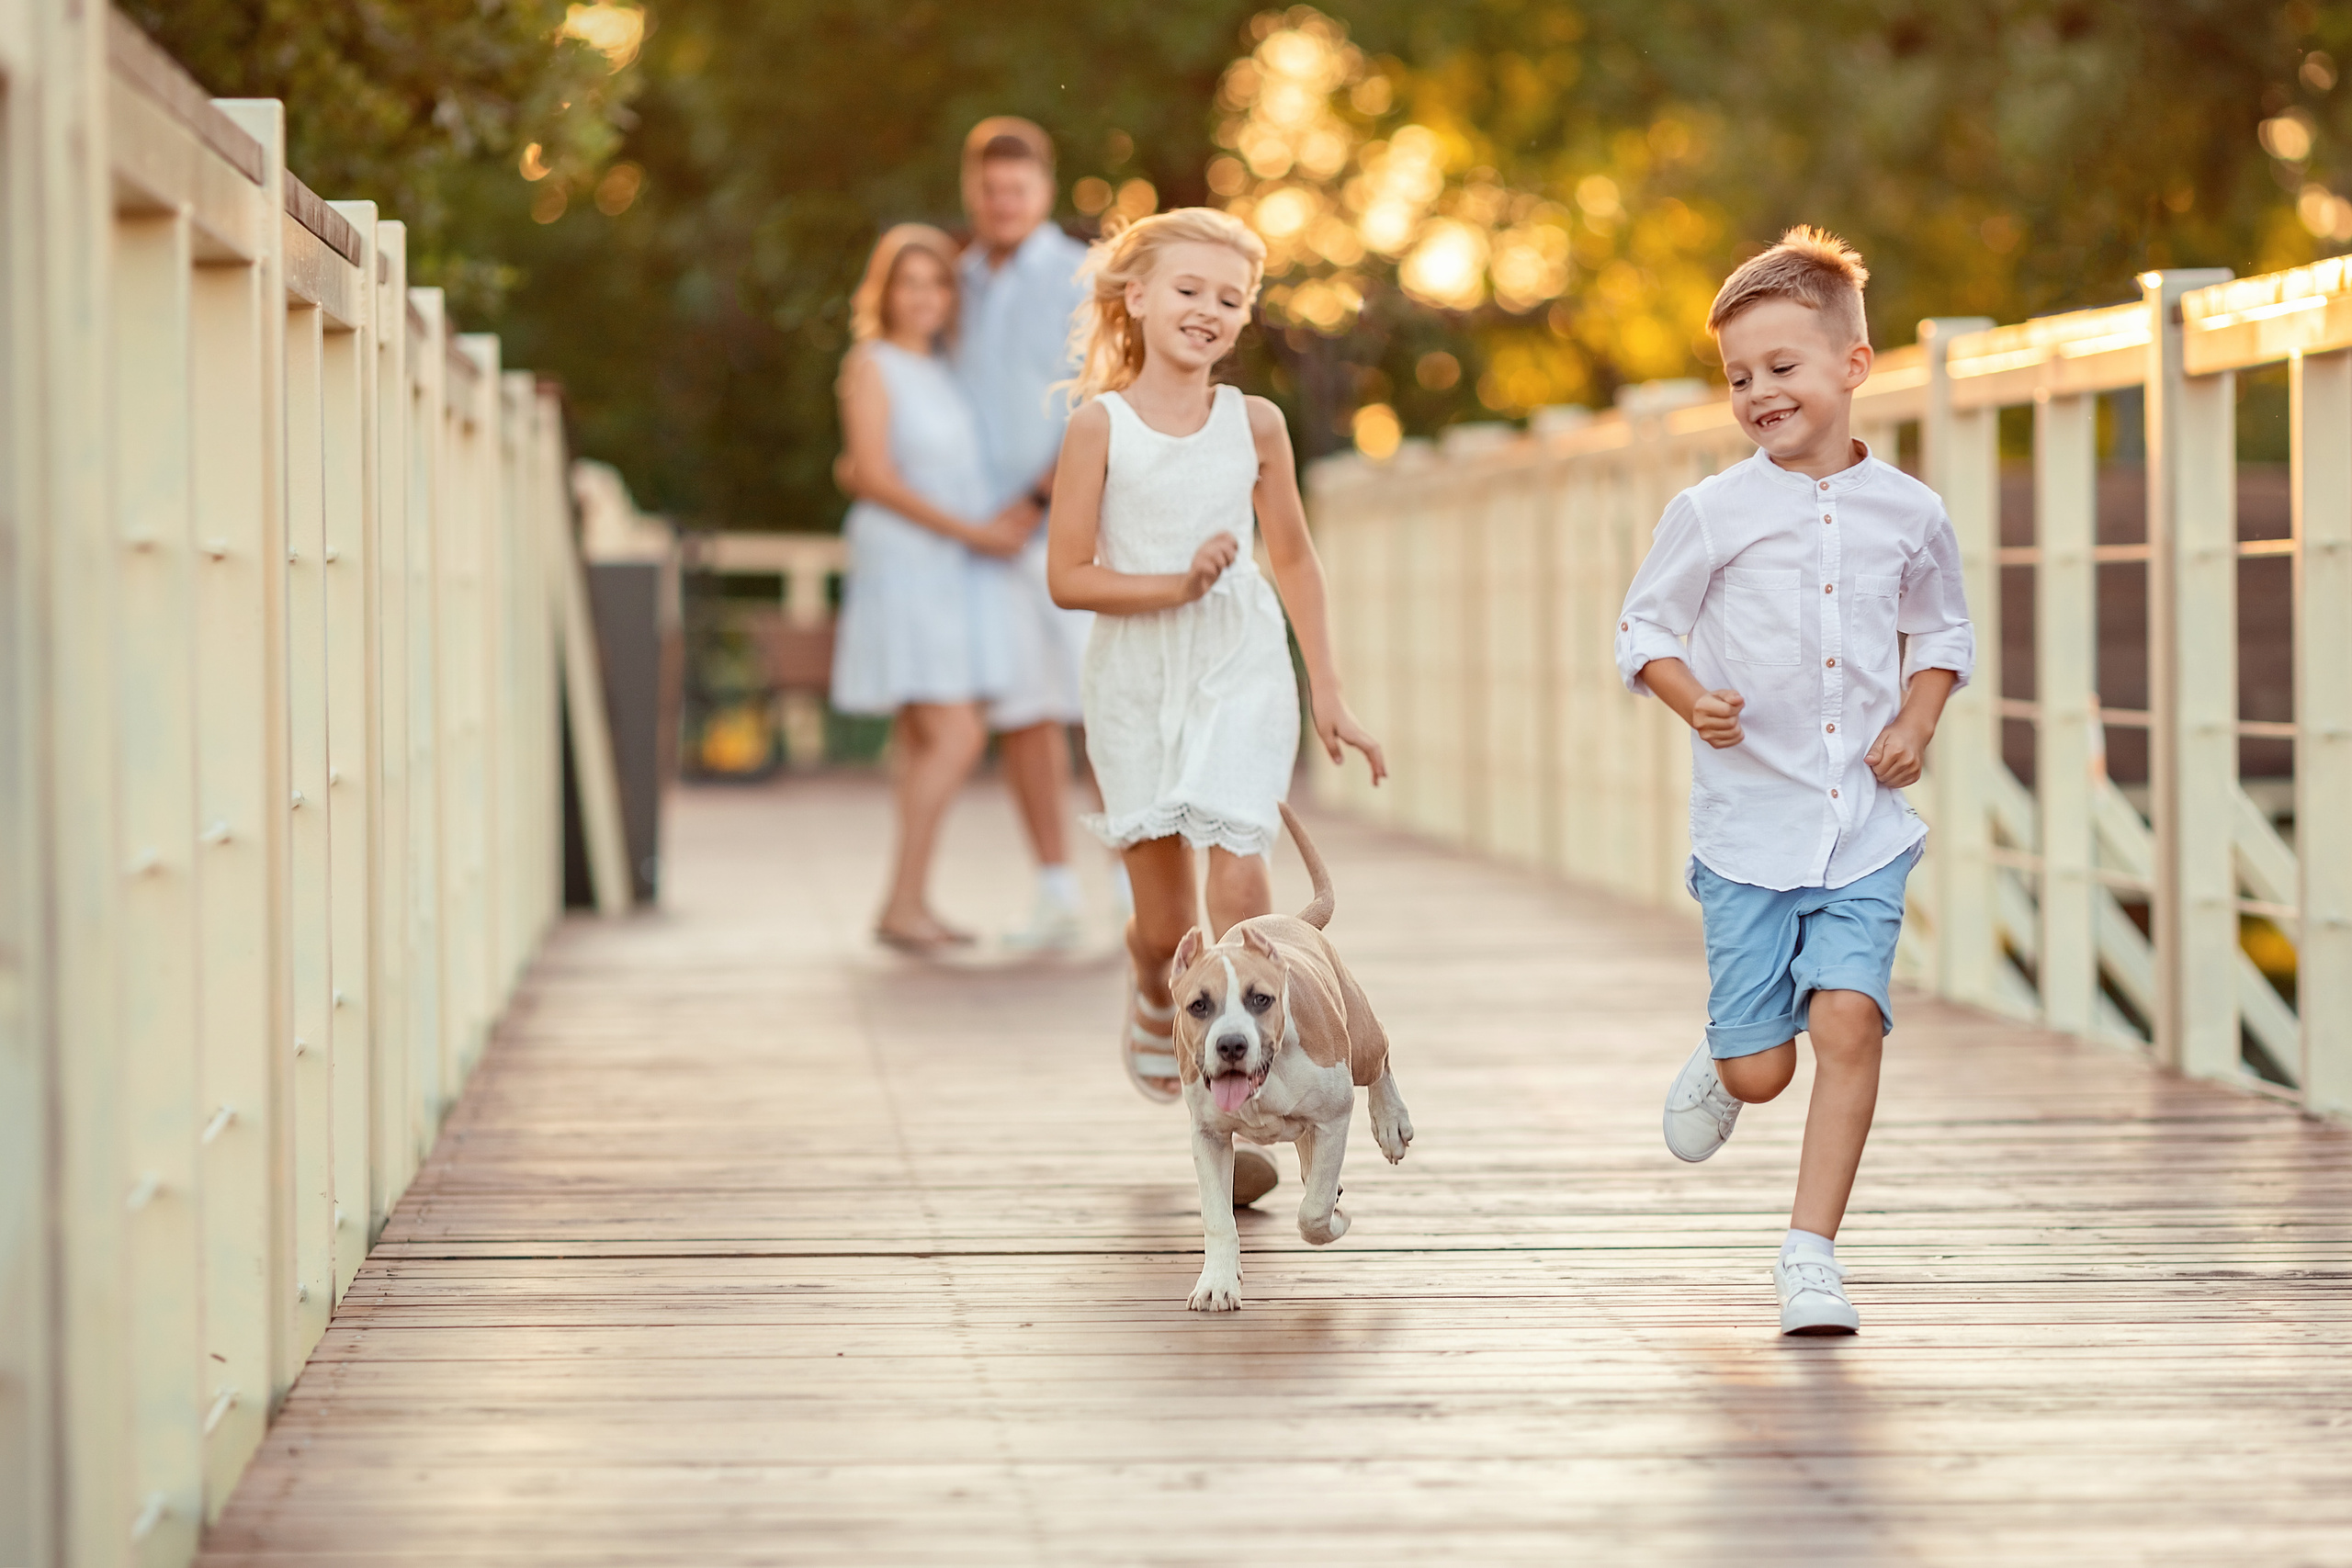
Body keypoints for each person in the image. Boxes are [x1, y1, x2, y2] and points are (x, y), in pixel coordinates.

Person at [1613, 228, 1975, 1336]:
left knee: (1849, 1020)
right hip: (1750, 828)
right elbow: (1643, 629)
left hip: (1862, 826)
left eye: (1782, 366)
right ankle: (1730, 1053)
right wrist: (1690, 699)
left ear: (1853, 366)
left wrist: (1916, 721)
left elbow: (1940, 632)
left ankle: (1809, 1253)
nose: (1758, 393)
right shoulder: (1711, 512)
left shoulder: (1911, 513)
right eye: (1738, 378)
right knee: (1763, 1070)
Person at [1045, 208, 1385, 1205]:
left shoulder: (1256, 423)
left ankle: (1255, 1105)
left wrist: (1328, 691)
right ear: (1136, 297)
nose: (1209, 309)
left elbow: (1294, 559)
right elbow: (1068, 576)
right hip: (1137, 677)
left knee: (1240, 886)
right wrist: (1173, 584)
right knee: (1164, 929)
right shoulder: (1098, 427)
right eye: (1188, 289)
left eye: (1230, 298)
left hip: (1239, 662)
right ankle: (1153, 988)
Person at [830, 223, 1038, 951]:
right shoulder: (872, 364)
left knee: (925, 740)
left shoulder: (945, 372)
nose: (924, 297)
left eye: (937, 283)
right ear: (884, 292)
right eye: (908, 283)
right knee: (957, 733)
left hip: (951, 568)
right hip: (907, 565)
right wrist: (973, 533)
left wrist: (999, 523)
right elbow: (873, 475)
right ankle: (902, 900)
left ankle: (909, 902)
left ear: (952, 296)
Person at [951, 118, 1102, 950]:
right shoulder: (958, 280)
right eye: (990, 188)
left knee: (1100, 707)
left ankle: (1134, 889)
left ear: (1044, 189)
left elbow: (1099, 390)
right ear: (972, 190)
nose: (1003, 202)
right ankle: (1054, 892)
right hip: (986, 540)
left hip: (1069, 524)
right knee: (1023, 709)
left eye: (1017, 188)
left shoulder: (1082, 276)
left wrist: (1039, 496)